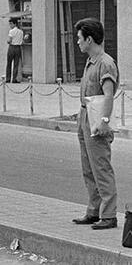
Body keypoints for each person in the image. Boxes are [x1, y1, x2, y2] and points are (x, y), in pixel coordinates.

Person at [71, 17, 118, 230]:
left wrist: (104, 121)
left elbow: (108, 95)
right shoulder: (91, 61)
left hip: (97, 118)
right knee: (88, 167)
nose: (77, 42)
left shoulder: (105, 63)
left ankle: (108, 215)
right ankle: (94, 210)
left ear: (89, 39)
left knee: (101, 167)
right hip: (85, 116)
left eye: (79, 38)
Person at [5, 17, 24, 84]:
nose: (10, 25)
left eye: (11, 24)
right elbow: (22, 41)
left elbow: (9, 40)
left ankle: (8, 78)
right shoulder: (21, 32)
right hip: (18, 48)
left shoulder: (11, 31)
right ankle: (14, 78)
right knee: (16, 64)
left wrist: (8, 41)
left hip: (12, 47)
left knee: (9, 63)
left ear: (15, 24)